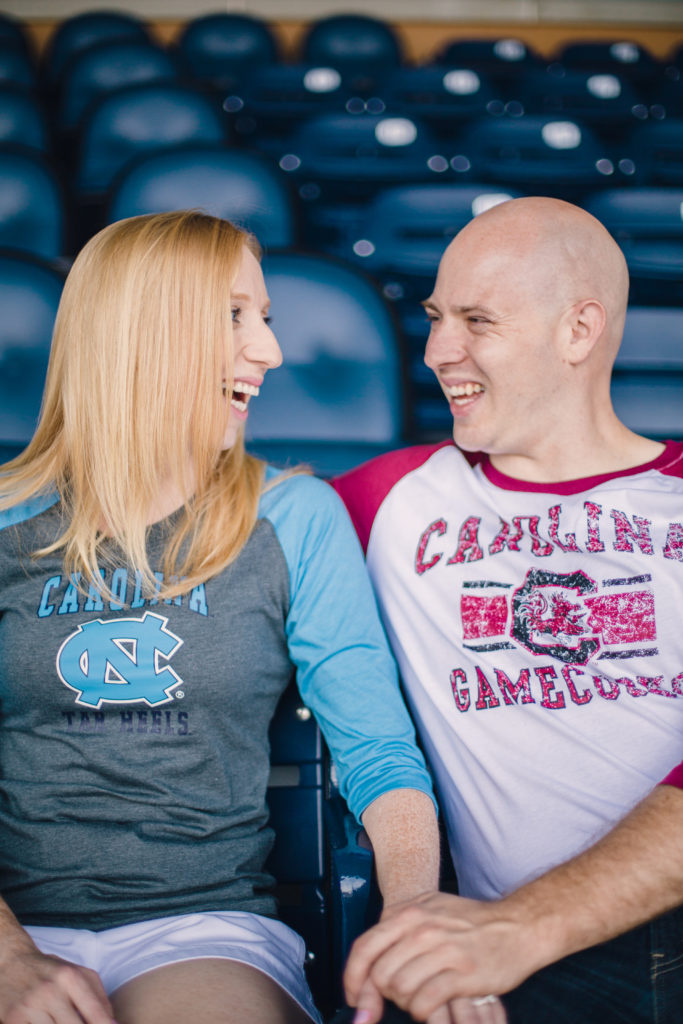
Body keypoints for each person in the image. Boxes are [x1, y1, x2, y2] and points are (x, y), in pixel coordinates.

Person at [0, 210, 445, 1024]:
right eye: (235, 316)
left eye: (266, 318)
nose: (270, 351)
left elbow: (376, 751)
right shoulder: (4, 520)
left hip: (202, 925)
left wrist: (414, 908)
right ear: (143, 333)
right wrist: (7, 959)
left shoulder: (296, 516)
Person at [332, 196, 683, 1024]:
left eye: (476, 320)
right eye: (433, 317)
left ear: (578, 331)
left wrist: (520, 927)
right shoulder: (389, 501)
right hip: (534, 968)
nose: (435, 351)